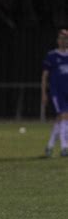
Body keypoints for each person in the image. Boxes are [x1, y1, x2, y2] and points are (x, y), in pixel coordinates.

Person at [42, 29, 68, 157]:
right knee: (64, 116)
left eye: (66, 38)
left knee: (60, 119)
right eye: (61, 38)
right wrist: (44, 93)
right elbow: (45, 76)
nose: (64, 41)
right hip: (57, 92)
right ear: (58, 40)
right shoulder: (52, 56)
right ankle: (64, 147)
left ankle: (50, 146)